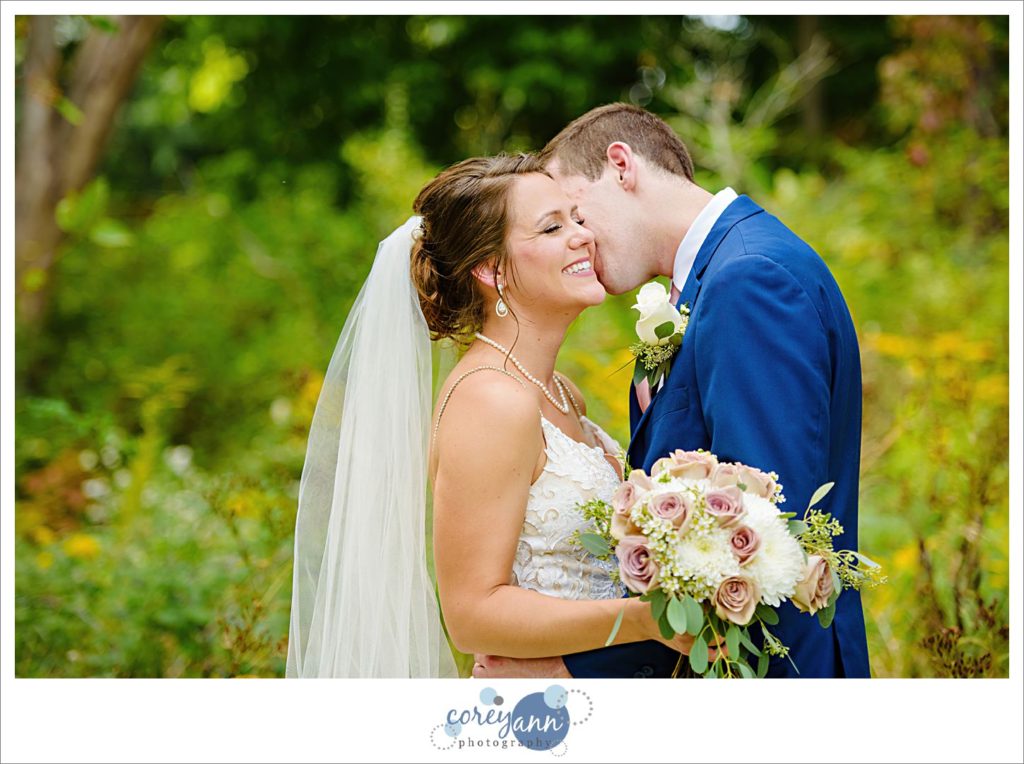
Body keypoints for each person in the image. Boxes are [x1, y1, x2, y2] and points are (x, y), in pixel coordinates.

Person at [475, 103, 870, 679]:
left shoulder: (748, 282)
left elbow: (757, 553)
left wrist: (572, 671)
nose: (579, 241)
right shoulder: (726, 273)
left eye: (577, 215)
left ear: (621, 166)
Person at [285, 153, 699, 677]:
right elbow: (473, 615)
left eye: (576, 217)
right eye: (552, 227)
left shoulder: (561, 393)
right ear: (490, 269)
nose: (582, 236)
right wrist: (645, 621)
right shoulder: (490, 400)